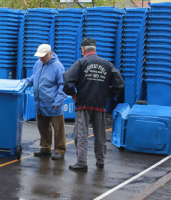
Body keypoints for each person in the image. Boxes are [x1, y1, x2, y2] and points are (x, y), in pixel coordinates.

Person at [63, 38, 124, 172]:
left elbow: (67, 79)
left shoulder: (81, 62)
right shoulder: (107, 64)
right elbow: (119, 84)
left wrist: (73, 93)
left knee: (81, 133)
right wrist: (107, 93)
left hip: (83, 104)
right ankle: (100, 161)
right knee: (100, 134)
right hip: (100, 104)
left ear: (83, 50)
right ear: (95, 50)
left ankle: (82, 163)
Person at [26, 44, 67, 160]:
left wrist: (58, 101)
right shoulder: (38, 64)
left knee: (58, 128)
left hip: (53, 104)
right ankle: (45, 148)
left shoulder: (57, 66)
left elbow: (63, 84)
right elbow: (34, 78)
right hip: (40, 103)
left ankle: (60, 150)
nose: (40, 59)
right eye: (39, 57)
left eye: (43, 57)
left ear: (50, 54)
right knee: (42, 126)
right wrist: (24, 83)